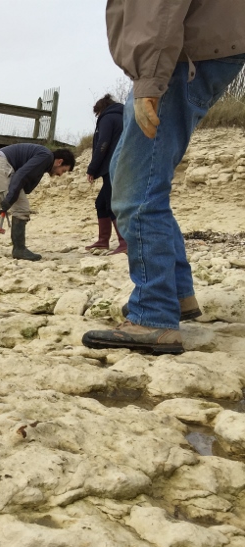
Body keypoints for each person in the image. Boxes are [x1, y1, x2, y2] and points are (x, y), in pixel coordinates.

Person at [82, 0, 245, 354]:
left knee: (136, 189)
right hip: (191, 49)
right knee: (132, 177)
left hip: (182, 54)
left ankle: (153, 314)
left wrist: (150, 79)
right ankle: (176, 293)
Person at [0, 144, 75, 261]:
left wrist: (10, 198)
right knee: (21, 208)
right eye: (63, 170)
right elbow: (21, 175)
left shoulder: (43, 158)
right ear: (59, 162)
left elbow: (26, 183)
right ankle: (19, 249)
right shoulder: (46, 156)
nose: (60, 174)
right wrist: (10, 198)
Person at [85, 94, 126, 255]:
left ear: (101, 110)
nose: (98, 116)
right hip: (123, 164)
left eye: (97, 113)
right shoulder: (125, 117)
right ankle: (103, 240)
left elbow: (103, 143)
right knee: (101, 203)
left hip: (113, 166)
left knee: (111, 203)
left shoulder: (107, 118)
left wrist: (92, 168)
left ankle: (124, 242)